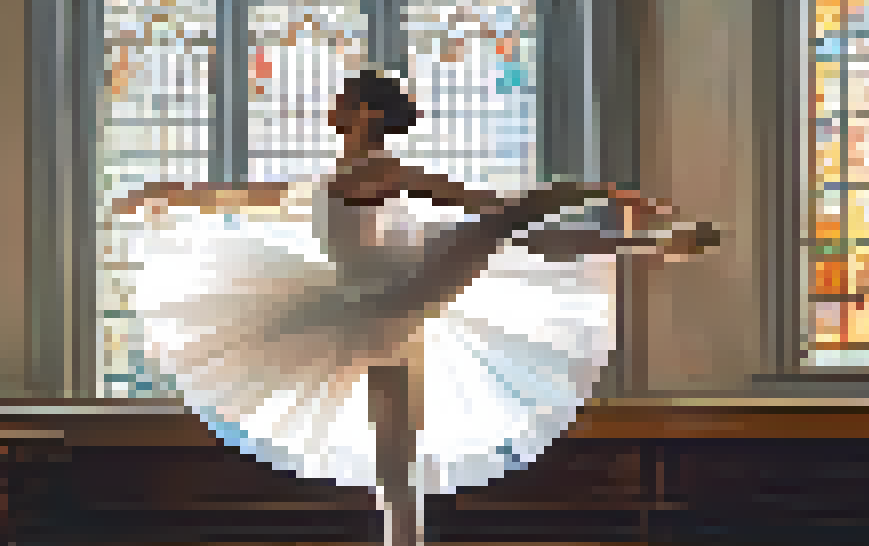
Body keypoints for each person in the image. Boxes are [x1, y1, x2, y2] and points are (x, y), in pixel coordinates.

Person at [107, 68, 719, 497]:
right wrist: (167, 194)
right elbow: (239, 195)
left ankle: (647, 236)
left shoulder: (386, 171)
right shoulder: (326, 183)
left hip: (400, 292)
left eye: (343, 98)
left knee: (508, 235)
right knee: (506, 243)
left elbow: (494, 204)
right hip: (364, 300)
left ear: (366, 116)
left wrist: (602, 194)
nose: (332, 106)